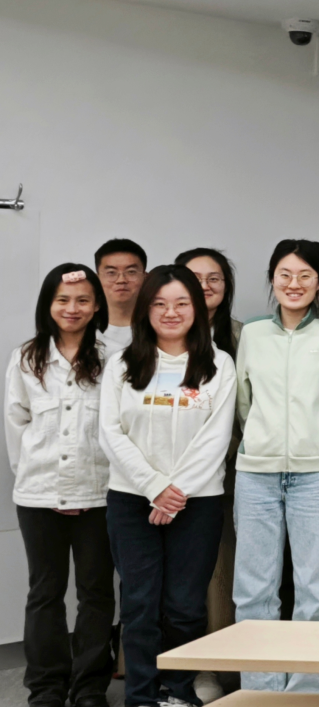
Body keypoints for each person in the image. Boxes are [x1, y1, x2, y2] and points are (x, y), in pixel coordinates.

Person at [100, 266, 235, 707]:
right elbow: (110, 432)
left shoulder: (218, 365)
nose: (170, 312)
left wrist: (175, 493)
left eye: (181, 303)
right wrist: (154, 486)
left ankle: (179, 691)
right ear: (145, 309)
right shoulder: (122, 365)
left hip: (197, 502)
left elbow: (215, 438)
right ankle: (140, 696)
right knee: (139, 604)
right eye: (159, 303)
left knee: (185, 605)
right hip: (132, 499)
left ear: (197, 308)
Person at [233, 240, 319, 693]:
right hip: (256, 475)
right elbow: (244, 404)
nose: (294, 284)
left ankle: (305, 693)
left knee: (315, 590)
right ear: (272, 279)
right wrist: (260, 445)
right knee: (254, 590)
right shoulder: (252, 334)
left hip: (316, 476)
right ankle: (260, 691)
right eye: (285, 274)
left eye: (305, 276)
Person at [6, 264, 113, 707]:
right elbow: (16, 426)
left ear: (97, 306)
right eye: (63, 300)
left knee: (96, 593)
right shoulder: (25, 358)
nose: (73, 308)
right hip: (39, 495)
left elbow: (119, 427)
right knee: (44, 593)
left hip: (100, 495)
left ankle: (89, 687)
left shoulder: (114, 359)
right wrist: (39, 480)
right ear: (48, 305)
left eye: (83, 300)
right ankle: (46, 687)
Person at [174, 247, 243, 701]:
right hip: (166, 479)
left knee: (219, 574)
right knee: (171, 578)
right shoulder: (160, 335)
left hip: (228, 475)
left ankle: (212, 669)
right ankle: (175, 667)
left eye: (214, 278)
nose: (204, 286)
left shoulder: (243, 336)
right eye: (193, 277)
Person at [94, 238, 147, 357]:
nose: (121, 280)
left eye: (131, 272)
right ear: (97, 279)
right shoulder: (84, 327)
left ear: (145, 276)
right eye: (111, 273)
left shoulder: (159, 327)